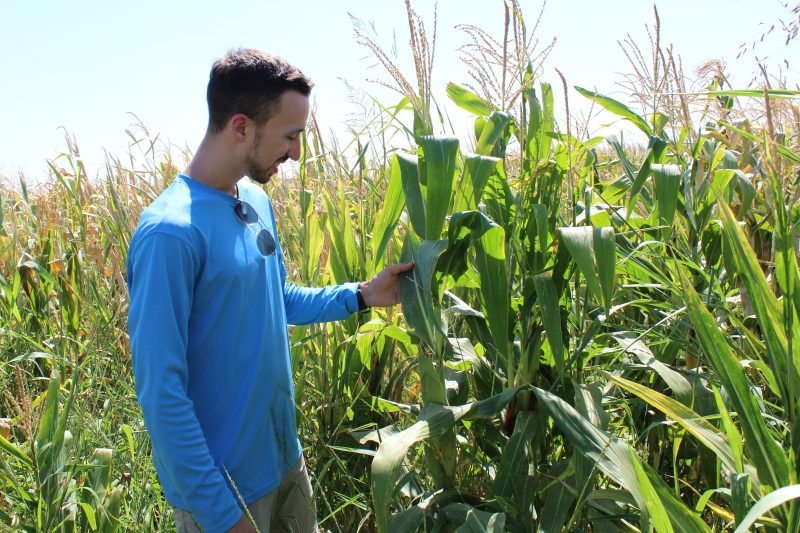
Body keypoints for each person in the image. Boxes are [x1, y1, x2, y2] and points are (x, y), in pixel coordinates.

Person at [126, 48, 413, 533]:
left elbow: (276, 301)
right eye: (290, 136)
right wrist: (222, 514)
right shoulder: (169, 234)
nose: (297, 153)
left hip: (283, 463)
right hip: (223, 493)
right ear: (241, 126)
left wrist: (362, 294)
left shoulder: (254, 198)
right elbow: (161, 393)